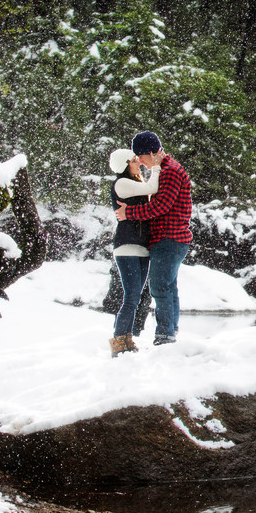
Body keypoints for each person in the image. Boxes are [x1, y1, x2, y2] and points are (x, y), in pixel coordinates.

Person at [114, 131, 192, 345]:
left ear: (149, 152)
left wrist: (128, 213)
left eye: (140, 157)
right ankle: (170, 331)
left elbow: (160, 206)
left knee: (159, 287)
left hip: (169, 238)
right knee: (168, 286)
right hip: (169, 238)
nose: (139, 162)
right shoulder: (167, 170)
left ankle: (165, 335)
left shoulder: (170, 172)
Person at [108, 147, 160, 357]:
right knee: (130, 297)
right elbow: (153, 187)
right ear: (124, 164)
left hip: (141, 247)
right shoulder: (121, 183)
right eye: (133, 160)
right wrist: (156, 167)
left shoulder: (134, 182)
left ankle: (127, 338)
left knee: (135, 297)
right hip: (127, 246)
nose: (137, 162)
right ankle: (119, 339)